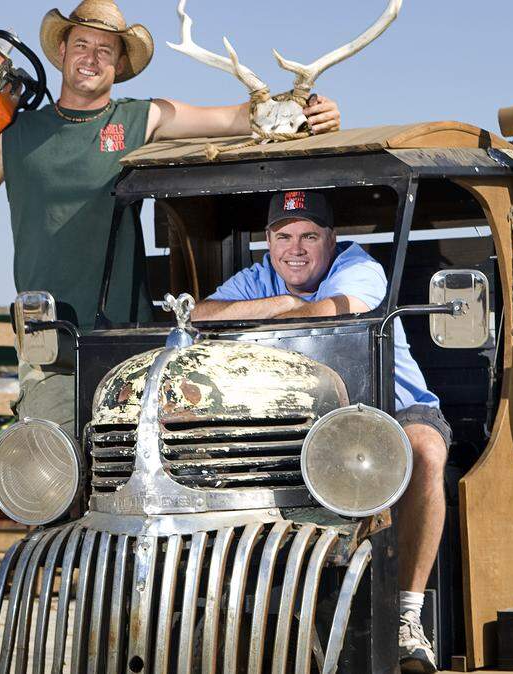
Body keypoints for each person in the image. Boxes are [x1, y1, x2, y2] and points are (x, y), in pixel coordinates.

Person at [0, 1, 339, 434]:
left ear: (119, 63)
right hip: (47, 346)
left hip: (124, 340)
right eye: (82, 44)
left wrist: (311, 111)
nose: (91, 58)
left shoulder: (140, 118)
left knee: (129, 467)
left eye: (105, 50)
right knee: (54, 467)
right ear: (62, 51)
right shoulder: (17, 133)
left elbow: (243, 118)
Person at [192, 191, 450, 673]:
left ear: (332, 240)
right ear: (267, 242)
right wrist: (283, 301)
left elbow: (330, 313)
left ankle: (407, 618)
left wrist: (273, 313)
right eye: (284, 236)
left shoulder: (359, 267)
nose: (296, 248)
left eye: (310, 236)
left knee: (425, 450)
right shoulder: (260, 279)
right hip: (297, 424)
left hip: (389, 411)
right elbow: (199, 317)